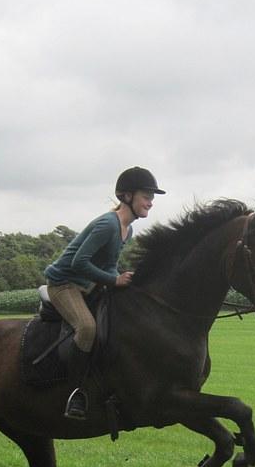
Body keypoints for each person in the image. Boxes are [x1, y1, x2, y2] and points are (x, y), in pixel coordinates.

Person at [44, 166, 166, 420]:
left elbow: (109, 264)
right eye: (147, 196)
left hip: (88, 285)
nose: (151, 203)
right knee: (87, 328)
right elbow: (79, 263)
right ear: (128, 196)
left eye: (152, 198)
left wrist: (125, 278)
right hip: (64, 284)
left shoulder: (127, 229)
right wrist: (113, 279)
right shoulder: (107, 225)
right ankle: (76, 392)